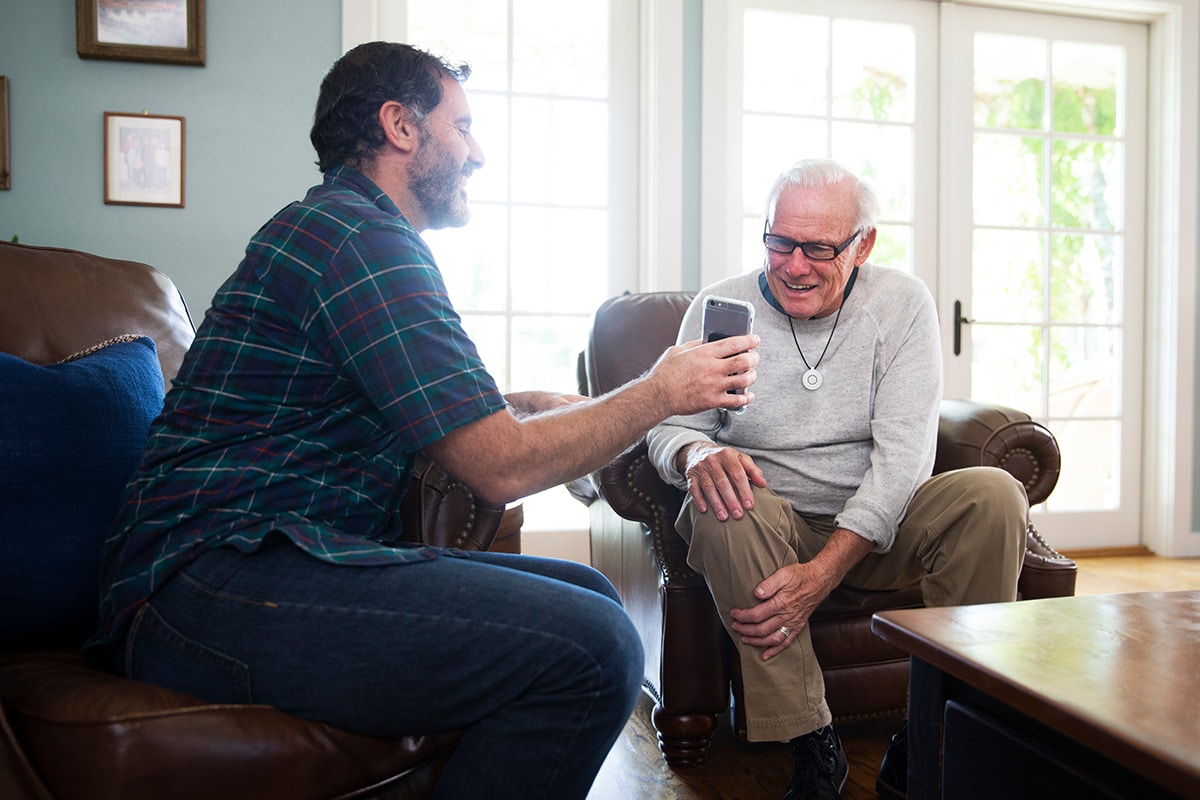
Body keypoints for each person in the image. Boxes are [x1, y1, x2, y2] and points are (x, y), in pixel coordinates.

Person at [85, 42, 760, 800]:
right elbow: (500, 466)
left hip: (257, 564)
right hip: (202, 586)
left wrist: (517, 402)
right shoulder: (360, 241)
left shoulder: (345, 230)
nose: (477, 152)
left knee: (594, 596)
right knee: (596, 645)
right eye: (463, 127)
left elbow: (372, 399)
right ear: (401, 127)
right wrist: (660, 391)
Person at [645, 159, 1028, 800]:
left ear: (863, 245)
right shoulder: (720, 310)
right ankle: (811, 743)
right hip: (769, 524)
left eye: (818, 248)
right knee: (721, 501)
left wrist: (822, 573)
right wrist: (694, 455)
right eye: (778, 242)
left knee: (994, 495)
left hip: (880, 523)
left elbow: (905, 456)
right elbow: (666, 426)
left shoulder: (901, 304)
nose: (794, 265)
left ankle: (933, 726)